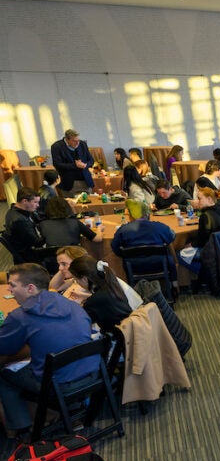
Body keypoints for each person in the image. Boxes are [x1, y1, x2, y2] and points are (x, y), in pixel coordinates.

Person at [0, 263, 99, 436]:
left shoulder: (20, 317)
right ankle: (73, 413)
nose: (9, 290)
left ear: (30, 288)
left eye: (13, 285)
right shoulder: (71, 304)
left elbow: (4, 348)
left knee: (4, 374)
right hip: (92, 372)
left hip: (60, 383)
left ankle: (22, 430)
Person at [67, 255, 135, 331]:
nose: (77, 283)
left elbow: (79, 322)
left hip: (119, 338)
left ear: (84, 279)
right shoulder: (112, 285)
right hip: (130, 332)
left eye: (76, 279)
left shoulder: (94, 301)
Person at [3, 187, 44, 263]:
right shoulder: (20, 221)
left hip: (25, 248)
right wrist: (47, 234)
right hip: (31, 256)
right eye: (35, 202)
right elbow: (37, 243)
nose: (38, 205)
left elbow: (37, 219)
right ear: (25, 201)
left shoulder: (12, 210)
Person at [49, 128, 95, 194]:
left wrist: (85, 165)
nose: (77, 143)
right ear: (67, 139)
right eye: (74, 141)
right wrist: (74, 165)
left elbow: (91, 160)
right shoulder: (57, 147)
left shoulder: (82, 144)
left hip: (85, 181)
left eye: (78, 140)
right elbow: (57, 164)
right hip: (68, 183)